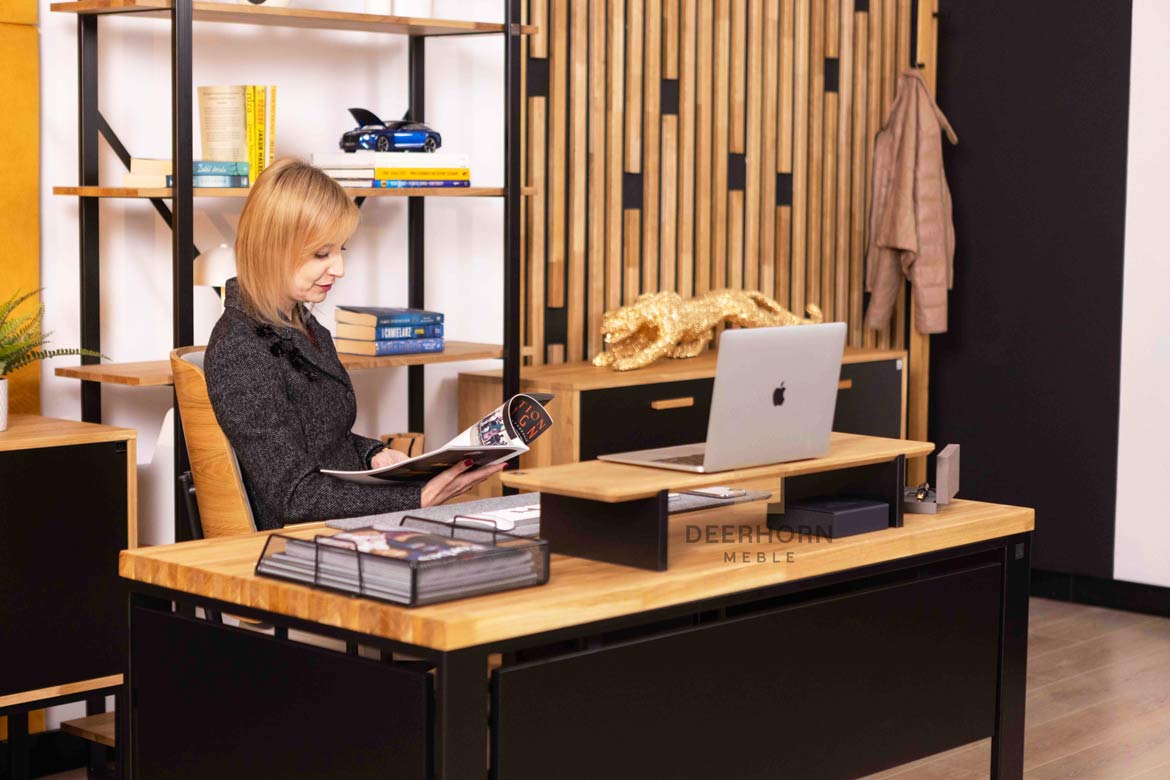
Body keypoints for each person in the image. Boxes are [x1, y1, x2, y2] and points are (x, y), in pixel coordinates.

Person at [204, 158, 503, 531]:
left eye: (340, 250)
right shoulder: (240, 348)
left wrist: (373, 453)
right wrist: (417, 497)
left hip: (339, 526)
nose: (339, 269)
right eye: (321, 254)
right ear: (271, 248)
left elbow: (319, 440)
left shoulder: (300, 324)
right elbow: (294, 497)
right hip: (302, 539)